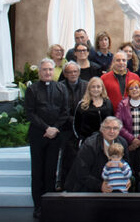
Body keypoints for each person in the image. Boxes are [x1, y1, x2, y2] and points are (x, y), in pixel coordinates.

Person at [25, 59, 69, 219]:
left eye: (50, 69)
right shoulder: (32, 89)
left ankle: (50, 205)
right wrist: (46, 128)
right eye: (44, 70)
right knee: (37, 172)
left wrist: (55, 128)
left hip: (55, 136)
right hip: (38, 135)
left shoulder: (61, 88)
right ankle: (38, 206)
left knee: (51, 171)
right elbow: (30, 113)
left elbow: (65, 111)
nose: (48, 72)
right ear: (39, 71)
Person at [64, 116, 129, 193]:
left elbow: (127, 164)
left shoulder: (123, 142)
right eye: (108, 128)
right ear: (102, 129)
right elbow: (81, 172)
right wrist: (99, 185)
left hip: (112, 187)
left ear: (119, 130)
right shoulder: (90, 145)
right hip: (85, 188)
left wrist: (128, 179)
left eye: (115, 128)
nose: (111, 131)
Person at [116, 79, 140, 175]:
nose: (134, 90)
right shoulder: (122, 106)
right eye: (131, 88)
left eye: (136, 87)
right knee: (128, 172)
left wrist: (139, 141)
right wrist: (132, 140)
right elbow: (119, 125)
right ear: (128, 91)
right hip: (128, 146)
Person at [57, 61, 87, 189]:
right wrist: (71, 119)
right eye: (69, 72)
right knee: (66, 157)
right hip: (66, 127)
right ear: (65, 74)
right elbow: (58, 108)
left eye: (75, 71)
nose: (73, 74)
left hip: (83, 127)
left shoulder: (86, 86)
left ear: (79, 72)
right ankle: (63, 183)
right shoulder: (59, 87)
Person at [73, 77, 114, 143]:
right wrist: (81, 138)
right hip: (88, 141)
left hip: (106, 140)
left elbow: (112, 120)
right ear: (89, 89)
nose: (96, 89)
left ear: (102, 88)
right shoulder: (83, 105)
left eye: (98, 87)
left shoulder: (108, 103)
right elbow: (76, 124)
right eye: (93, 87)